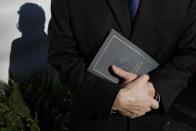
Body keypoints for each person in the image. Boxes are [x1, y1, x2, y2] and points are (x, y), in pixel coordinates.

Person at [48, 0, 196, 131]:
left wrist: (154, 89)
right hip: (93, 119)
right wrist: (110, 98)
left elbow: (189, 53)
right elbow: (62, 54)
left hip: (150, 119)